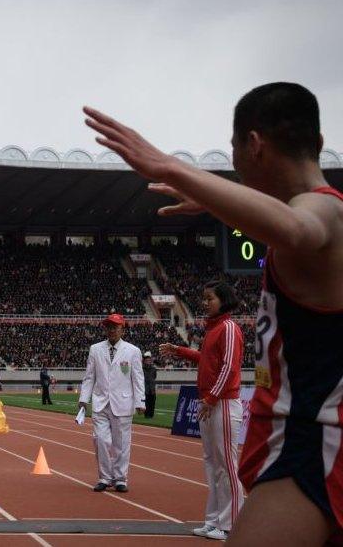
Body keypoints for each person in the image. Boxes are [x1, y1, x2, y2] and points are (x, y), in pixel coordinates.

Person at [84, 83, 343, 545]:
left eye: (233, 150)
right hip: (301, 439)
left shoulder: (322, 212)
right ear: (318, 143)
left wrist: (172, 168)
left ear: (253, 145)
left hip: (311, 445)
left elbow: (299, 229)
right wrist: (218, 205)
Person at [161, 281, 244, 541]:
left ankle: (231, 524)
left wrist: (210, 398)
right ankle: (214, 521)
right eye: (204, 298)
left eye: (210, 298)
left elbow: (229, 367)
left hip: (223, 404)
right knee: (212, 464)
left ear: (224, 300)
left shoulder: (229, 328)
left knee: (227, 465)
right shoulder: (213, 329)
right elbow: (207, 360)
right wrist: (180, 351)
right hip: (210, 402)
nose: (205, 303)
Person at [77, 314, 145, 493]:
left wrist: (140, 401)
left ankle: (120, 478)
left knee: (121, 444)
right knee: (100, 440)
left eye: (115, 327)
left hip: (123, 402)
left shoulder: (133, 351)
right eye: (109, 327)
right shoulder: (95, 349)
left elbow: (138, 378)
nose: (112, 330)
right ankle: (104, 477)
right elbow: (89, 375)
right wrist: (84, 399)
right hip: (101, 402)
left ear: (122, 328)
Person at [142, 351, 158, 419]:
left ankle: (151, 415)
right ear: (144, 361)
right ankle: (147, 415)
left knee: (152, 403)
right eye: (147, 360)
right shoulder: (142, 369)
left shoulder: (154, 369)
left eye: (149, 360)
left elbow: (154, 377)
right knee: (146, 403)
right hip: (145, 389)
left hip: (152, 389)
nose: (148, 361)